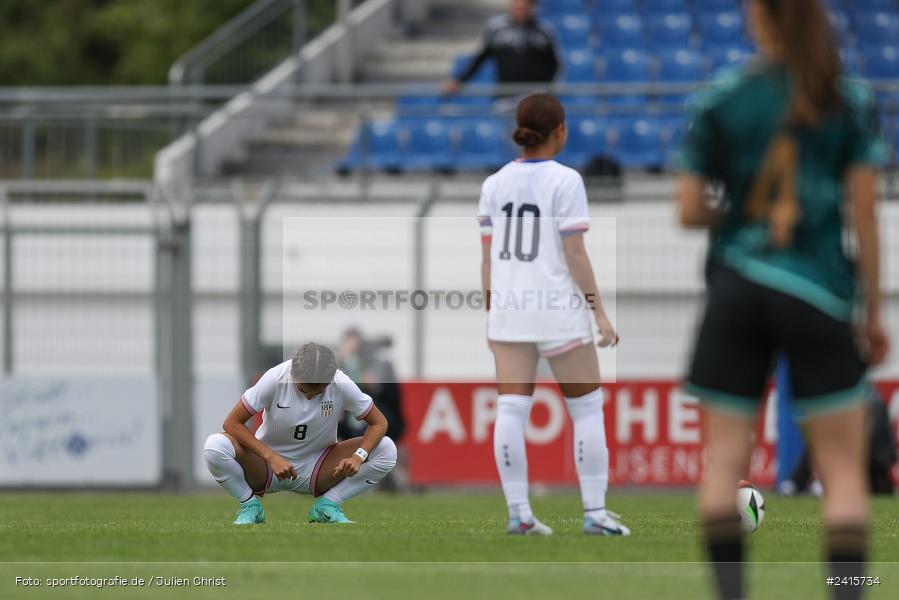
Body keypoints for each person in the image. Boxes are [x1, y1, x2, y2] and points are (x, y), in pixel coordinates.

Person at [676, 1, 890, 598]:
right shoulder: (848, 98)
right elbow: (866, 213)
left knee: (723, 464)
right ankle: (847, 593)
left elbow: (690, 209)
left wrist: (742, 216)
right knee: (844, 473)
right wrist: (871, 311)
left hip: (738, 285)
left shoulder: (720, 99)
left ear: (758, 18)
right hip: (819, 288)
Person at [478, 92, 629, 536]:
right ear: (559, 130)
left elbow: (487, 260)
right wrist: (598, 313)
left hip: (509, 310)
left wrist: (492, 314)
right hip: (557, 308)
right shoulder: (566, 181)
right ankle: (595, 514)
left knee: (510, 408)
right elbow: (575, 253)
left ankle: (520, 514)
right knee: (586, 408)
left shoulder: (493, 184)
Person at [202, 342, 397, 525]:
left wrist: (358, 457)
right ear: (294, 372)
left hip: (318, 467)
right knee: (214, 446)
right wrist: (270, 456)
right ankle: (250, 506)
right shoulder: (275, 377)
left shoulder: (342, 383)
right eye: (303, 389)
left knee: (387, 449)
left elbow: (379, 423)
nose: (310, 396)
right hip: (265, 467)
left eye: (318, 391)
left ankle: (327, 505)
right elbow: (232, 423)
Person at [443, 0, 561, 95]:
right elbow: (480, 58)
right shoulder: (496, 28)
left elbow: (555, 64)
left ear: (533, 7)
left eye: (525, 7)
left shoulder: (544, 31)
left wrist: (546, 90)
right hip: (506, 96)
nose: (521, 10)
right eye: (518, 5)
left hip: (535, 98)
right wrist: (460, 80)